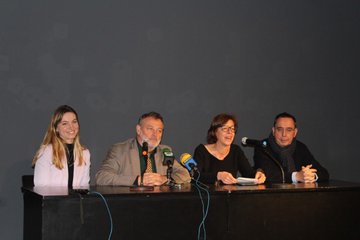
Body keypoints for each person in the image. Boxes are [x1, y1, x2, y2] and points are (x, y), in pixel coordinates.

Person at [95, 111, 191, 186]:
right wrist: (138, 180)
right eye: (150, 129)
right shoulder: (120, 150)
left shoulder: (165, 150)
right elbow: (102, 177)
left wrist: (165, 178)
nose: (155, 134)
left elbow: (185, 175)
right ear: (138, 130)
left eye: (159, 131)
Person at [253, 112, 329, 183]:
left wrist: (311, 176)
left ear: (295, 132)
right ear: (273, 131)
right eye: (279, 129)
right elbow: (269, 175)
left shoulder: (300, 147)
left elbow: (324, 173)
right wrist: (297, 176)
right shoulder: (263, 147)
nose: (284, 134)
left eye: (289, 130)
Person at [193, 113, 266, 185]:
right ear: (215, 132)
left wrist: (259, 173)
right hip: (207, 195)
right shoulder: (201, 150)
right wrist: (218, 175)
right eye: (225, 128)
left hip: (230, 196)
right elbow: (195, 176)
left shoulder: (236, 151)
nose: (230, 132)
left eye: (232, 128)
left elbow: (249, 173)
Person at [32, 105, 90, 188]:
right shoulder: (47, 151)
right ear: (56, 128)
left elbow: (84, 187)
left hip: (76, 201)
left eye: (74, 122)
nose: (71, 127)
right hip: (53, 200)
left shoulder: (84, 153)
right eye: (65, 123)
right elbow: (41, 188)